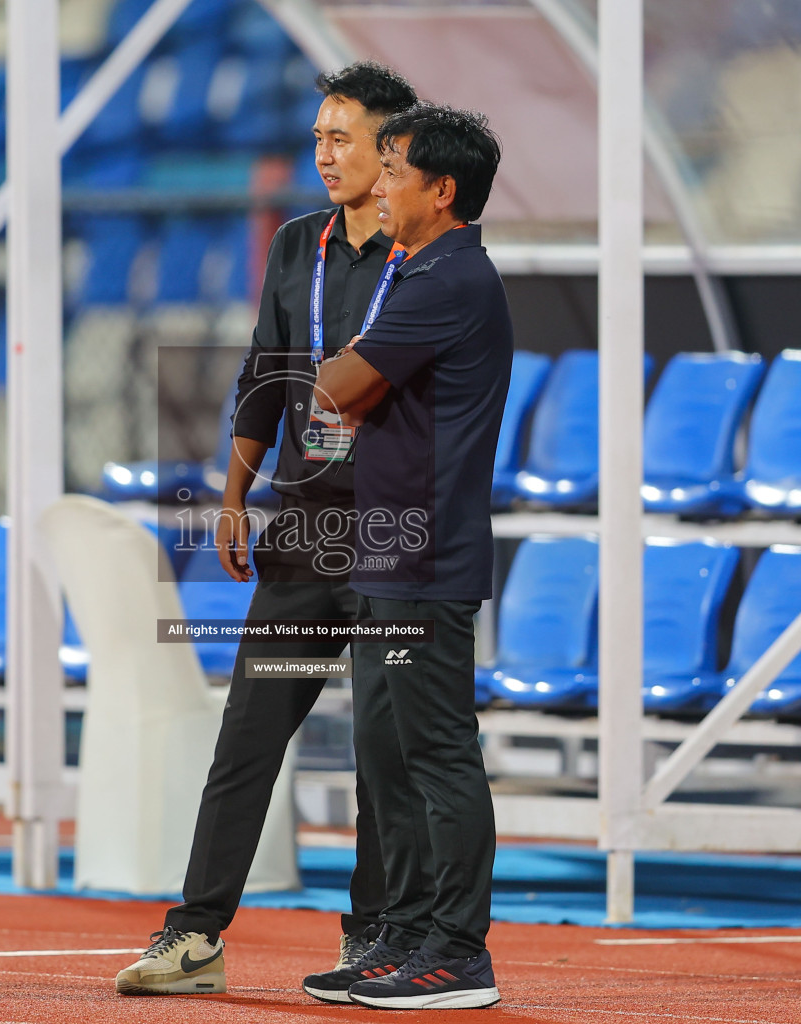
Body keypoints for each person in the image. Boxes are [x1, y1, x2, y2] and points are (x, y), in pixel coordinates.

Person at [114, 62, 418, 998]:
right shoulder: (298, 247)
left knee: (384, 744)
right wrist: (236, 498)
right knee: (247, 733)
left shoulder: (430, 257)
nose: (325, 155)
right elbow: (260, 377)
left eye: (343, 139)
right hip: (301, 526)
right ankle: (194, 933)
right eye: (318, 138)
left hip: (394, 537)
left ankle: (372, 936)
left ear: (390, 148)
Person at [300, 103, 509, 1010]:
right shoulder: (422, 272)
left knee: (434, 752)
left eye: (394, 173)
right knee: (388, 755)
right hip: (388, 553)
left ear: (442, 189)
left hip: (420, 557)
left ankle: (459, 952)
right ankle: (414, 935)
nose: (378, 189)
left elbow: (333, 385)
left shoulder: (445, 278)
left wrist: (348, 364)